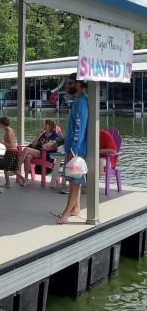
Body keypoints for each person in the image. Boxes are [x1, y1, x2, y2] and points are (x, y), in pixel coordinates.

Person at [58, 73, 88, 224]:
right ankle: (76, 208)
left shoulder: (82, 102)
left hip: (76, 150)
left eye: (71, 83)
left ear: (79, 84)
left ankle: (66, 213)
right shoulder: (79, 101)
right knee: (75, 181)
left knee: (74, 182)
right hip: (74, 148)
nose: (68, 86)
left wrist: (74, 149)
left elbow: (79, 127)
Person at [18, 118, 59, 186]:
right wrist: (39, 135)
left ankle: (17, 167)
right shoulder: (43, 135)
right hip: (38, 152)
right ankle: (26, 179)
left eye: (45, 124)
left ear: (50, 126)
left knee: (27, 149)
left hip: (46, 155)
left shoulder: (55, 136)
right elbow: (33, 145)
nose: (44, 126)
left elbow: (53, 148)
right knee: (28, 156)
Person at [0, 116, 21, 188]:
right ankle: (23, 179)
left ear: (2, 123)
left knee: (6, 168)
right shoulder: (10, 129)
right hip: (14, 151)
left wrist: (2, 142)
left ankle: (8, 184)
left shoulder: (7, 130)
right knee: (13, 169)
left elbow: (10, 144)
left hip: (10, 151)